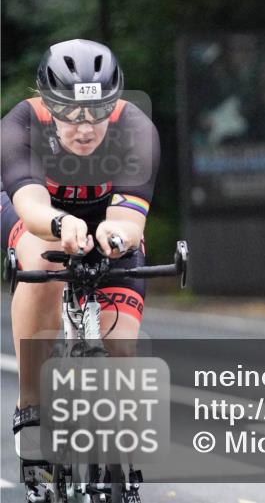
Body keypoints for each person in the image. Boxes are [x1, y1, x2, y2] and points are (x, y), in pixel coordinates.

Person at [1, 39, 160, 503]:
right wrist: (59, 222)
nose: (85, 126)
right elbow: (30, 205)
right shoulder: (20, 124)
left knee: (121, 348)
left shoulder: (135, 126)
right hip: (35, 213)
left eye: (98, 110)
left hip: (106, 217)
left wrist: (117, 237)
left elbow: (130, 217)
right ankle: (31, 403)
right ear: (49, 104)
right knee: (41, 255)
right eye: (71, 112)